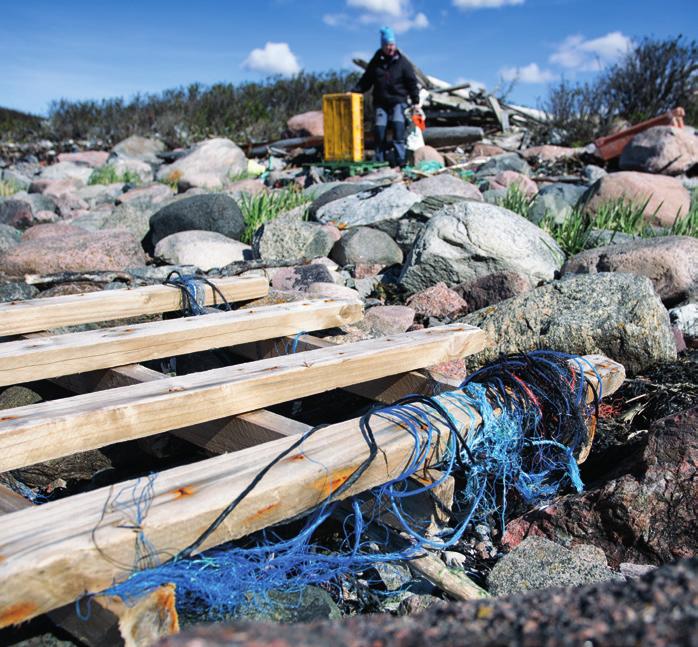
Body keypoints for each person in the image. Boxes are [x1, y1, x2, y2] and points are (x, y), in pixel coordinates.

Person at [351, 26, 422, 167]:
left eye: (392, 45)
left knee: (398, 126)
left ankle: (400, 160)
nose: (390, 48)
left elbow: (411, 82)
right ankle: (380, 161)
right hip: (381, 102)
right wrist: (354, 91)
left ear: (395, 45)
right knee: (379, 129)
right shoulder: (376, 62)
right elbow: (366, 80)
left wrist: (416, 101)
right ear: (382, 46)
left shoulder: (403, 63)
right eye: (387, 45)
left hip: (398, 101)